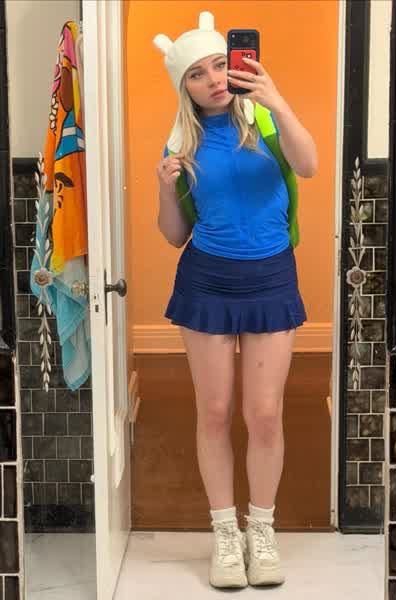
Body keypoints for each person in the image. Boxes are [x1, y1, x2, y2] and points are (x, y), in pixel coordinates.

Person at [153, 11, 317, 589]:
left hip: (271, 277)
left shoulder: (267, 120)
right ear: (185, 87)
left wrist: (276, 100)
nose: (214, 79)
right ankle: (225, 534)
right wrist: (164, 186)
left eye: (220, 64)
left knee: (265, 413)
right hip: (207, 281)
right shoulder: (182, 140)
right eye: (197, 74)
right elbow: (174, 234)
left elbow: (309, 164)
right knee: (215, 412)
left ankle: (261, 530)